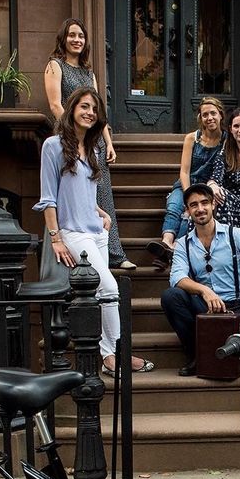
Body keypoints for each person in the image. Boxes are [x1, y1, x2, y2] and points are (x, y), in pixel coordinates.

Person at [33, 87, 154, 376]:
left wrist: (101, 213)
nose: (89, 112)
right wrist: (56, 238)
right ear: (72, 108)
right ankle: (114, 356)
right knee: (110, 288)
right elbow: (49, 197)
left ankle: (112, 352)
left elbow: (84, 191)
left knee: (103, 294)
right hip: (72, 233)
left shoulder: (94, 147)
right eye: (84, 106)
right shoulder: (53, 145)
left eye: (94, 109)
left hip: (95, 230)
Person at [161, 183, 240, 377]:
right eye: (194, 205)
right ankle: (198, 355)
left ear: (213, 205)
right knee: (171, 296)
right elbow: (177, 277)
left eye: (204, 203)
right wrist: (205, 291)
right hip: (203, 309)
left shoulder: (234, 235)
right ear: (187, 210)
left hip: (236, 310)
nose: (200, 208)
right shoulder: (183, 244)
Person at [44, 17, 136, 270]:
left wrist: (108, 143)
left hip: (93, 140)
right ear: (64, 38)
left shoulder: (89, 72)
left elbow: (98, 110)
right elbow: (55, 105)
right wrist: (71, 133)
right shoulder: (55, 65)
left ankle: (115, 254)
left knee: (103, 192)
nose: (77, 40)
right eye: (72, 35)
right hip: (69, 139)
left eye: (81, 36)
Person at [146, 97, 227, 269]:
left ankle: (174, 250)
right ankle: (166, 242)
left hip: (207, 189)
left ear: (220, 114)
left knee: (189, 213)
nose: (209, 118)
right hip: (187, 184)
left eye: (213, 113)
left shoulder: (227, 141)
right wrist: (187, 192)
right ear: (200, 118)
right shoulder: (192, 138)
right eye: (205, 115)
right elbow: (184, 171)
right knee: (175, 205)